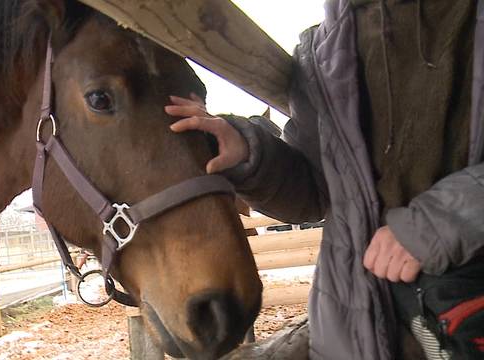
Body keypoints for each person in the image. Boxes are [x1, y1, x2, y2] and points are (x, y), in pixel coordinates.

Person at [165, 1, 484, 359]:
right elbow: (315, 191)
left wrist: (437, 224)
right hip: (359, 330)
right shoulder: (322, 50)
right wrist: (247, 154)